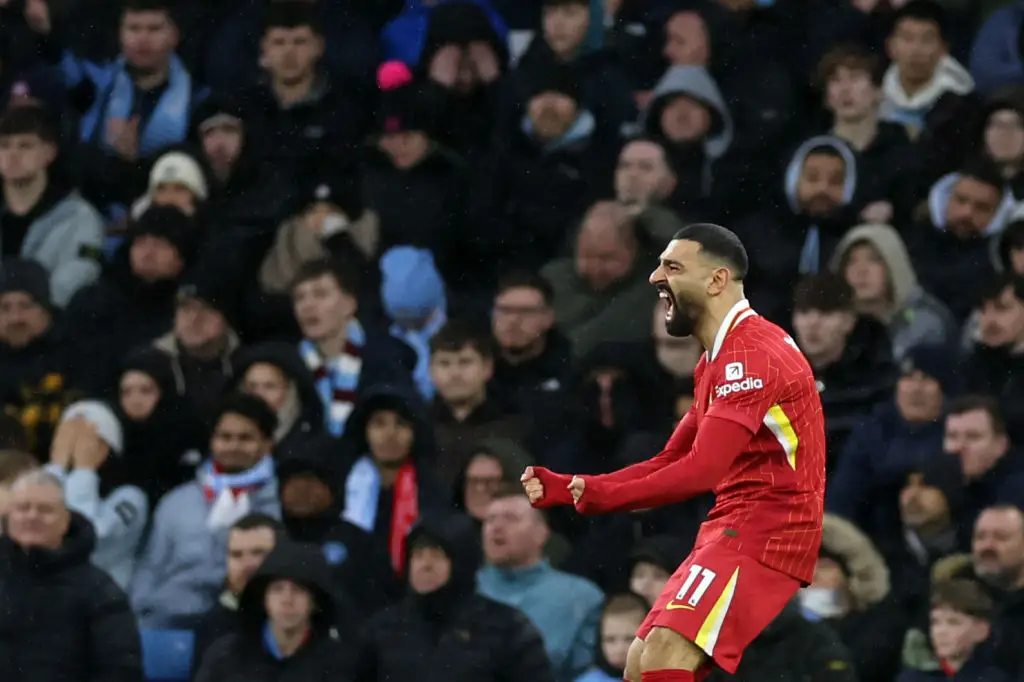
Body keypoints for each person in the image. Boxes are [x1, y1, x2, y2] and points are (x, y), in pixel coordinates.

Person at [521, 223, 827, 682]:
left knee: (665, 653)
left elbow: (702, 470)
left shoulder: (752, 356)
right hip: (733, 526)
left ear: (717, 280)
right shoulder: (717, 359)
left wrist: (601, 500)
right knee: (639, 661)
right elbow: (670, 458)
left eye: (673, 266)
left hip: (768, 533)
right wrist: (577, 487)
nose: (654, 278)